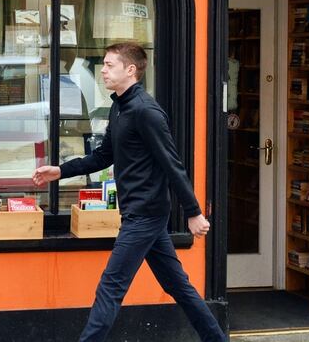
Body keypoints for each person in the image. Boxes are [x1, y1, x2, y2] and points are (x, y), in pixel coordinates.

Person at [33, 42, 226, 342]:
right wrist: (60, 171)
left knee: (110, 286)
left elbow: (173, 165)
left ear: (131, 70)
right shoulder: (119, 106)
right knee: (179, 287)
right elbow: (102, 156)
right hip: (142, 214)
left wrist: (193, 213)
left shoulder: (146, 111)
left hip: (144, 216)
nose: (104, 71)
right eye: (105, 65)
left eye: (110, 65)